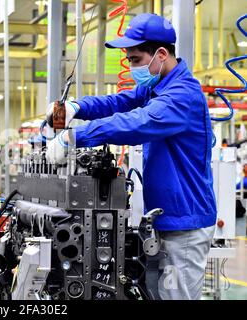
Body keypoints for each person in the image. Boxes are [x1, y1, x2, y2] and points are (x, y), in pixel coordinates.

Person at [45, 13, 216, 300]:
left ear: (160, 54)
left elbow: (138, 123)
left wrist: (75, 136)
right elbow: (120, 102)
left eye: (135, 59)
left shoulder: (182, 95)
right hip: (165, 219)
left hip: (186, 224)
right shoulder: (156, 86)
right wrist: (77, 107)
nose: (130, 65)